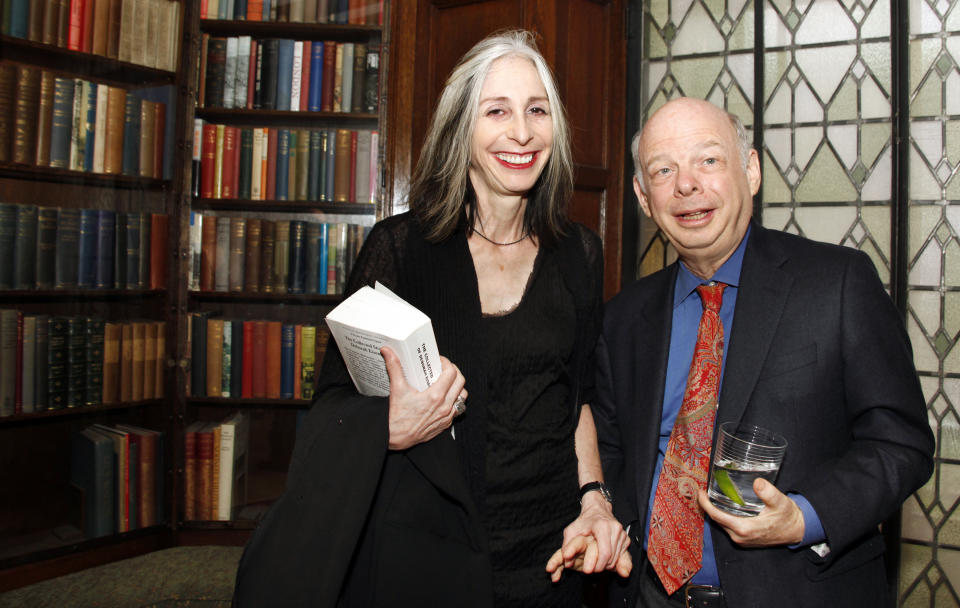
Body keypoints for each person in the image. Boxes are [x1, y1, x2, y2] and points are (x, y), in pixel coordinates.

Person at [232, 29, 630, 608]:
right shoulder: (399, 249)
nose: (521, 132)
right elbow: (334, 405)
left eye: (536, 110)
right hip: (429, 557)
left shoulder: (579, 253)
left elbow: (578, 398)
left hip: (554, 558)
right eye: (497, 110)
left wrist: (594, 499)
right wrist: (393, 426)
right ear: (461, 129)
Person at [592, 97, 935, 608]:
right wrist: (608, 518)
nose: (686, 184)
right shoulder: (623, 318)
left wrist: (805, 516)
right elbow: (613, 451)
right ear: (644, 197)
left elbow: (901, 444)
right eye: (664, 170)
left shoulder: (837, 284)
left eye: (709, 160)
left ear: (750, 171)